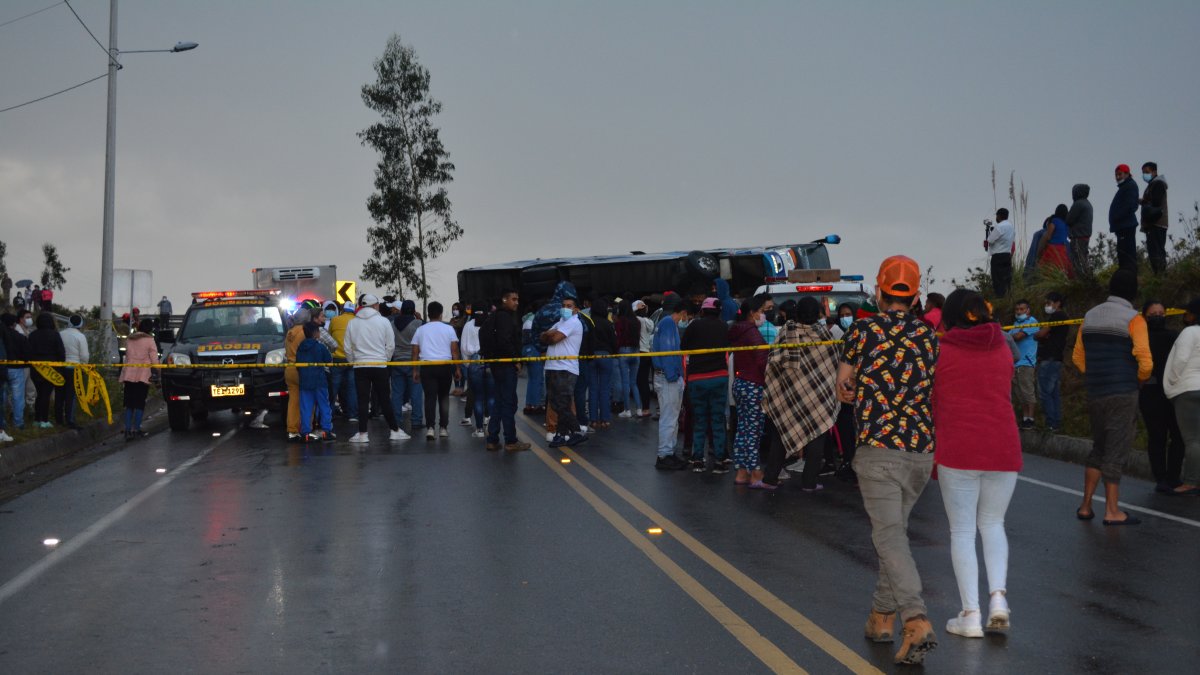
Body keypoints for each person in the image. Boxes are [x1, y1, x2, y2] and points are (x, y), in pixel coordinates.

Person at [837, 255, 939, 665]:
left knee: (889, 537)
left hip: (878, 448)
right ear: (915, 297)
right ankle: (881, 618)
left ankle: (915, 620)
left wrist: (851, 388)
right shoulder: (930, 336)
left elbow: (842, 384)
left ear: (878, 292)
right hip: (920, 452)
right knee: (892, 532)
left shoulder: (862, 330)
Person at [933, 289, 1021, 638]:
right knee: (993, 524)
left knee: (962, 531)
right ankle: (998, 599)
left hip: (959, 448)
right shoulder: (1003, 347)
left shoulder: (941, 351)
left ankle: (971, 614)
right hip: (1003, 444)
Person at [1072, 269, 1151, 524]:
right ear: (1134, 293)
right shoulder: (1134, 319)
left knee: (1099, 447)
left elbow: (1077, 357)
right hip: (1122, 392)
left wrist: (1096, 374)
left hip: (1096, 392)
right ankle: (1112, 511)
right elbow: (1145, 361)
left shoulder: (1089, 316)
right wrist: (1137, 379)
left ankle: (1085, 506)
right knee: (1116, 450)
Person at [762, 297, 840, 491]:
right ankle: (809, 482)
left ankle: (770, 478)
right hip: (817, 395)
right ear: (818, 314)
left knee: (781, 431)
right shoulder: (823, 334)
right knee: (817, 434)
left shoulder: (787, 331)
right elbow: (833, 363)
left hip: (787, 393)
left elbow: (773, 360)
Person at [344, 294, 409, 444]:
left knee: (362, 400)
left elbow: (347, 348)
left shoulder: (352, 323)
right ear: (375, 306)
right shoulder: (383, 321)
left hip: (360, 365)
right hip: (379, 365)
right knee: (384, 399)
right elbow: (390, 345)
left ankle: (362, 434)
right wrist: (384, 360)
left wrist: (353, 361)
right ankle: (395, 430)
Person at [1140, 300, 1185, 493]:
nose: (1158, 316)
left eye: (1161, 313)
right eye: (1153, 313)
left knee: (1178, 436)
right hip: (1150, 392)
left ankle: (1174, 477)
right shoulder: (1140, 338)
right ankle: (1161, 477)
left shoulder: (1174, 336)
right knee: (1157, 436)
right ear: (1144, 317)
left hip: (1174, 392)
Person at [682, 297, 731, 473]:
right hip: (719, 377)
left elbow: (683, 346)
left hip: (698, 378)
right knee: (718, 418)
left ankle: (698, 460)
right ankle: (719, 460)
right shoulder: (724, 326)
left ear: (703, 311)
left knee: (700, 419)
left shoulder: (694, 326)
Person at [728, 295, 769, 486]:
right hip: (754, 384)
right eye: (761, 311)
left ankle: (741, 471)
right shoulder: (753, 333)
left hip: (740, 383)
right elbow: (762, 361)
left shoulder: (738, 331)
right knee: (753, 431)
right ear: (752, 313)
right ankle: (755, 472)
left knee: (742, 429)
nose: (763, 315)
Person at [483, 289, 529, 452]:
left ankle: (493, 439)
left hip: (497, 365)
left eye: (517, 299)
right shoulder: (504, 317)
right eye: (513, 299)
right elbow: (505, 340)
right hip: (506, 365)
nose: (516, 302)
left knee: (500, 402)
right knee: (509, 403)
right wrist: (515, 360)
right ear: (504, 300)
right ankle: (510, 440)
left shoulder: (495, 316)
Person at [1163, 299, 1200, 495]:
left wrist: (1172, 383)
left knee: (1192, 439)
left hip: (1187, 390)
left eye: (1187, 312)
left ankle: (1191, 482)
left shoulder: (1189, 332)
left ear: (1194, 314)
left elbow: (1180, 360)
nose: (1185, 315)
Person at [541, 295, 587, 448]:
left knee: (562, 403)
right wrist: (549, 335)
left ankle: (576, 431)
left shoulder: (574, 323)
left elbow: (553, 338)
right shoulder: (560, 322)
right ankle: (561, 435)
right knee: (556, 402)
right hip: (553, 367)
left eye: (569, 306)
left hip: (565, 368)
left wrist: (550, 335)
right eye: (563, 305)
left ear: (576, 310)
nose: (565, 308)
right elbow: (543, 337)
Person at [411, 301, 461, 441]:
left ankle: (430, 428)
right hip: (445, 366)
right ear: (440, 314)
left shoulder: (421, 329)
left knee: (430, 398)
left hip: (427, 367)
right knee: (444, 397)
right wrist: (457, 368)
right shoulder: (449, 329)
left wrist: (415, 370)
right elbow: (454, 351)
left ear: (428, 313)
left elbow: (415, 351)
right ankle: (443, 428)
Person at [651, 295, 687, 469]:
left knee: (672, 417)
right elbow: (667, 350)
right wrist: (674, 375)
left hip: (668, 376)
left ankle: (669, 452)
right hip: (667, 377)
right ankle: (664, 455)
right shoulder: (668, 323)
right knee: (669, 418)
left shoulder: (666, 323)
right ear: (682, 312)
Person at [1033, 292, 1069, 432]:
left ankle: (1050, 424)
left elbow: (1040, 334)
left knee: (1045, 392)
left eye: (1049, 303)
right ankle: (1056, 423)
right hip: (1056, 358)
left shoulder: (1058, 316)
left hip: (1050, 358)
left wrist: (1040, 334)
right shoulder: (1062, 317)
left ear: (1057, 303)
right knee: (1053, 393)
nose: (1047, 306)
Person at [295, 322, 335, 442]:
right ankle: (326, 431)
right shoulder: (320, 347)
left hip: (304, 381)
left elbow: (298, 365)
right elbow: (328, 360)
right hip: (319, 381)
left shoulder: (300, 347)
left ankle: (305, 433)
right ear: (316, 333)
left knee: (306, 408)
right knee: (324, 406)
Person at [460, 299, 494, 439]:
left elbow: (463, 347)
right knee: (491, 396)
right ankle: (490, 424)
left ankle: (479, 429)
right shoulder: (491, 322)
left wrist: (468, 364)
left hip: (474, 361)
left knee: (478, 397)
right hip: (490, 360)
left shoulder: (468, 325)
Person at [119, 319, 157, 440]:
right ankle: (137, 429)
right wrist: (159, 372)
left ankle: (127, 430)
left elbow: (127, 355)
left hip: (129, 374)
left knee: (129, 404)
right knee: (139, 403)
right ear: (150, 329)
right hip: (142, 375)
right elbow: (155, 360)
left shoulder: (130, 339)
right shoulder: (150, 340)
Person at [27, 313, 64, 429]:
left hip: (36, 369)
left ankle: (37, 419)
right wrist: (60, 367)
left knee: (39, 394)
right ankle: (44, 420)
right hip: (51, 370)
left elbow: (28, 351)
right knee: (46, 395)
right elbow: (61, 353)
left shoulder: (33, 335)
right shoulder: (55, 335)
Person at [390, 300, 423, 429]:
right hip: (413, 361)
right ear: (414, 311)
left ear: (402, 310)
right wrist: (419, 317)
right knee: (416, 392)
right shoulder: (418, 323)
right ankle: (416, 420)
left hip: (397, 360)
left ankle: (396, 420)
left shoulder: (392, 324)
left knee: (397, 393)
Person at [1008, 300, 1039, 429]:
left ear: (1028, 310)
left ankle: (1031, 418)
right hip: (1015, 363)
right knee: (1020, 393)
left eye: (1022, 309)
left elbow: (1017, 337)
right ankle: (1025, 418)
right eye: (1017, 309)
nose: (1019, 312)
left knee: (1028, 391)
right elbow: (1009, 339)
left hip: (1027, 362)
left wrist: (1010, 335)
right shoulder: (1016, 324)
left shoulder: (1032, 321)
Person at [283, 307, 312, 442]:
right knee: (307, 399)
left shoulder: (290, 332)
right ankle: (306, 427)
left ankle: (292, 430)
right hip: (302, 368)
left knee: (293, 400)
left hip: (289, 368)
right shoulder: (304, 332)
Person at [588, 297, 617, 430]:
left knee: (593, 389)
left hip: (591, 356)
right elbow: (614, 342)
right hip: (606, 356)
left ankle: (593, 420)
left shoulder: (589, 322)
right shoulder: (608, 323)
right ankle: (605, 420)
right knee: (605, 389)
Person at [328, 302, 358, 423]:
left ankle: (328, 414)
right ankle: (352, 415)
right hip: (352, 359)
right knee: (352, 388)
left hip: (337, 359)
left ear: (342, 310)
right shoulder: (357, 321)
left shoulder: (335, 320)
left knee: (333, 388)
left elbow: (329, 337)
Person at [58, 314, 89, 429]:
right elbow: (84, 356)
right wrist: (84, 367)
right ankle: (70, 420)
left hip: (60, 367)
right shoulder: (80, 336)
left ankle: (59, 419)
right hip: (75, 369)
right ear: (80, 324)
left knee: (59, 393)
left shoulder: (61, 333)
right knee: (71, 395)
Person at [1109, 164, 1140, 274]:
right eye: (1116, 175)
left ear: (1127, 174)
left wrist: (1117, 217)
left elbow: (1130, 206)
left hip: (1126, 226)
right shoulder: (1125, 187)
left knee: (1127, 253)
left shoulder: (1130, 186)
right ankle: (1126, 275)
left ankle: (1129, 275)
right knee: (1123, 253)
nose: (1118, 177)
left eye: (1120, 174)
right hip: (1122, 226)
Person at [1139, 162, 1169, 274]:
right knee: (1153, 252)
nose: (1144, 175)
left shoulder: (1158, 184)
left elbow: (1156, 202)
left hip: (1157, 222)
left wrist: (1144, 201)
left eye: (1147, 172)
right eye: (1143, 173)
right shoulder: (1152, 185)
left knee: (1157, 252)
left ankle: (1160, 277)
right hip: (1152, 223)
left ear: (1154, 172)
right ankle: (1158, 277)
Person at [1, 313, 29, 430]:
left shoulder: (1, 336)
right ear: (14, 324)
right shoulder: (20, 337)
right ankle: (18, 423)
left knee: (2, 396)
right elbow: (26, 355)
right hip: (17, 369)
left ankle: (2, 423)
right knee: (18, 397)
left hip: (2, 369)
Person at [615, 300, 642, 419]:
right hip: (636, 351)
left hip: (624, 351)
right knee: (634, 382)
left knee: (625, 383)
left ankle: (627, 410)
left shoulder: (620, 322)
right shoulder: (637, 321)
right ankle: (639, 409)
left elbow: (618, 337)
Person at [521, 301, 546, 416]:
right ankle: (536, 405)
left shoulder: (528, 319)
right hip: (535, 350)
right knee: (538, 379)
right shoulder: (537, 320)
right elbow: (538, 339)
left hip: (526, 350)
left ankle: (529, 405)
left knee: (532, 379)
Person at [1036, 204, 1074, 276]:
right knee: (1060, 271)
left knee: (1044, 271)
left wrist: (1039, 253)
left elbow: (1048, 236)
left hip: (1053, 249)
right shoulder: (1066, 224)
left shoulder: (1054, 221)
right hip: (1063, 250)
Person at [985, 208, 1015, 297]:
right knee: (1006, 278)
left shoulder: (999, 227)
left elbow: (990, 240)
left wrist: (990, 231)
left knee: (997, 279)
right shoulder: (1011, 227)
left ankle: (1000, 297)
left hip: (998, 256)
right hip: (1007, 255)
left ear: (999, 216)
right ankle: (1008, 296)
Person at [634, 299, 656, 418]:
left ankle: (641, 408)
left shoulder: (638, 320)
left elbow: (631, 316)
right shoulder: (650, 321)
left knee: (638, 381)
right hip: (648, 353)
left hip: (639, 352)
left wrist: (635, 309)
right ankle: (646, 408)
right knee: (644, 383)